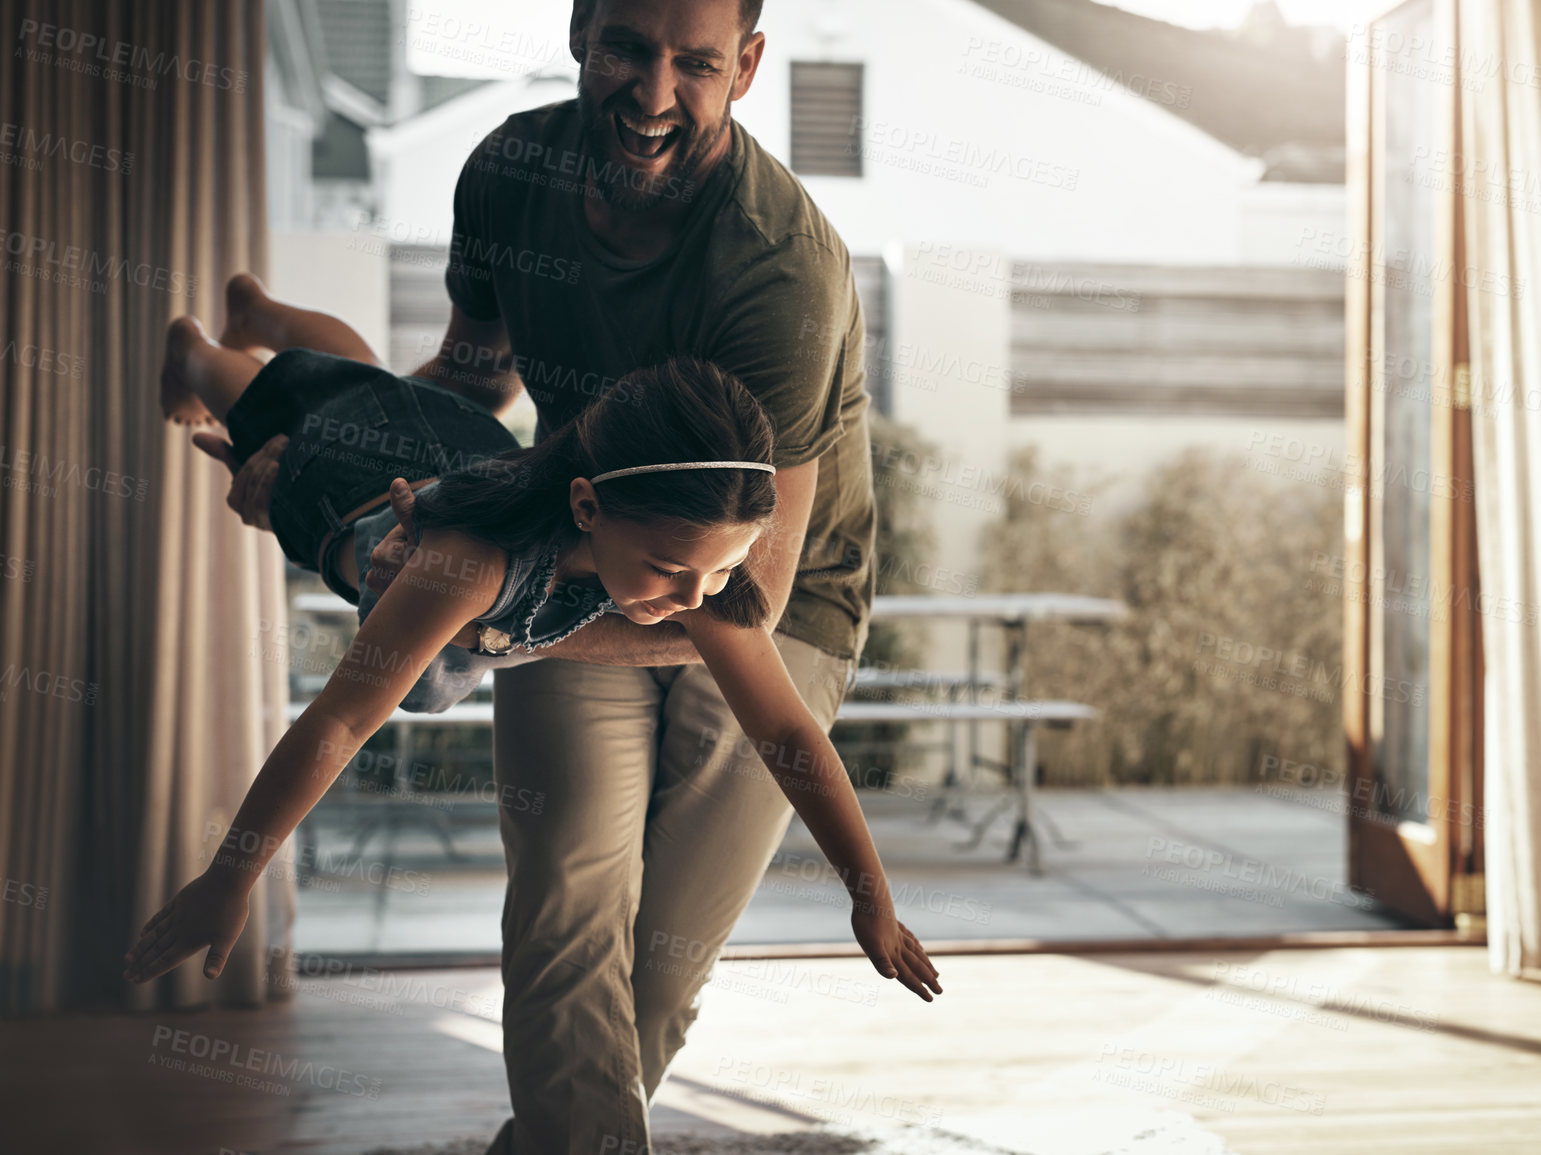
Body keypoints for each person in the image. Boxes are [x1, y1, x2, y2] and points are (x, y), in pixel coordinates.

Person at [194, 1, 884, 1150]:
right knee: (567, 922)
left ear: (749, 67)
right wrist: (316, 457)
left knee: (654, 980)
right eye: (628, 48)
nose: (654, 93)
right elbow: (467, 391)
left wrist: (493, 623)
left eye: (697, 65)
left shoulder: (780, 270)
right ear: (579, 30)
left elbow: (740, 596)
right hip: (579, 548)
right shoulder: (511, 170)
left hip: (765, 600)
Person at [123, 290, 941, 1014]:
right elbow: (339, 720)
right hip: (345, 487)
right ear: (587, 504)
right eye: (670, 569)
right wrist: (232, 874)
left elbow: (791, 737)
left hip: (451, 440)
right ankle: (195, 341)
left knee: (372, 386)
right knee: (277, 405)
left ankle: (259, 306)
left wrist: (868, 894)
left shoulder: (697, 578)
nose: (694, 600)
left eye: (723, 568)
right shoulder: (471, 564)